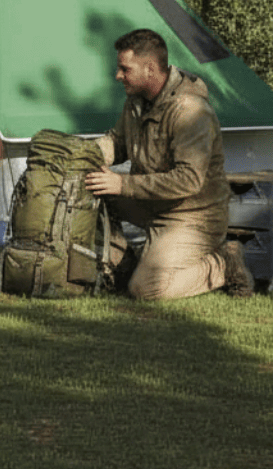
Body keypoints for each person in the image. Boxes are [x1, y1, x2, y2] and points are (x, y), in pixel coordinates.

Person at [85, 28, 253, 301]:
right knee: (91, 192)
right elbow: (118, 142)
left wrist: (122, 184)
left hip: (193, 217)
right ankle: (123, 267)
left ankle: (224, 262)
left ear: (150, 69)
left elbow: (189, 179)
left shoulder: (190, 110)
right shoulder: (136, 101)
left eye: (125, 69)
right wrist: (82, 156)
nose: (118, 76)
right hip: (152, 204)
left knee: (147, 289)